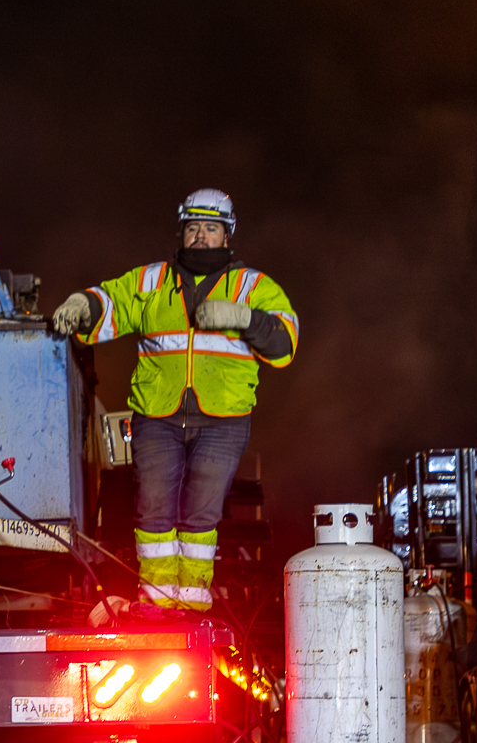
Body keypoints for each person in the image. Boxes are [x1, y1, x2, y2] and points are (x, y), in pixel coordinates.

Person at [49, 189, 297, 615]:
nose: (201, 236)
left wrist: (243, 318)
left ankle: (194, 600)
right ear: (181, 232)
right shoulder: (152, 281)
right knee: (154, 507)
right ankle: (158, 599)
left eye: (211, 228)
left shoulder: (254, 287)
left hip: (224, 417)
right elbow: (114, 300)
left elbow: (285, 342)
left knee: (202, 509)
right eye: (194, 228)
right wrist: (82, 305)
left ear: (227, 235)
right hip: (157, 415)